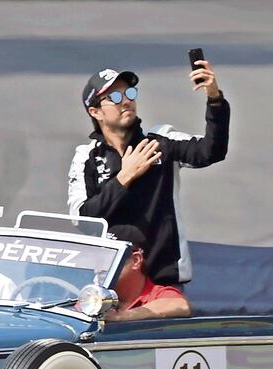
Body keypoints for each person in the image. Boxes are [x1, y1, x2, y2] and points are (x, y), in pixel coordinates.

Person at [67, 61, 230, 286]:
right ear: (95, 112)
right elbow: (83, 220)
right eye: (114, 97)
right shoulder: (86, 157)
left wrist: (214, 99)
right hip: (112, 282)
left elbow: (211, 152)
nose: (126, 101)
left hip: (164, 279)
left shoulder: (161, 141)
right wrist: (125, 177)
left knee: (175, 309)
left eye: (130, 93)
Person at [103, 225, 190, 321]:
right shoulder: (93, 294)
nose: (98, 268)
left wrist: (122, 316)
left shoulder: (158, 295)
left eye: (109, 258)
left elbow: (180, 305)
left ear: (136, 261)